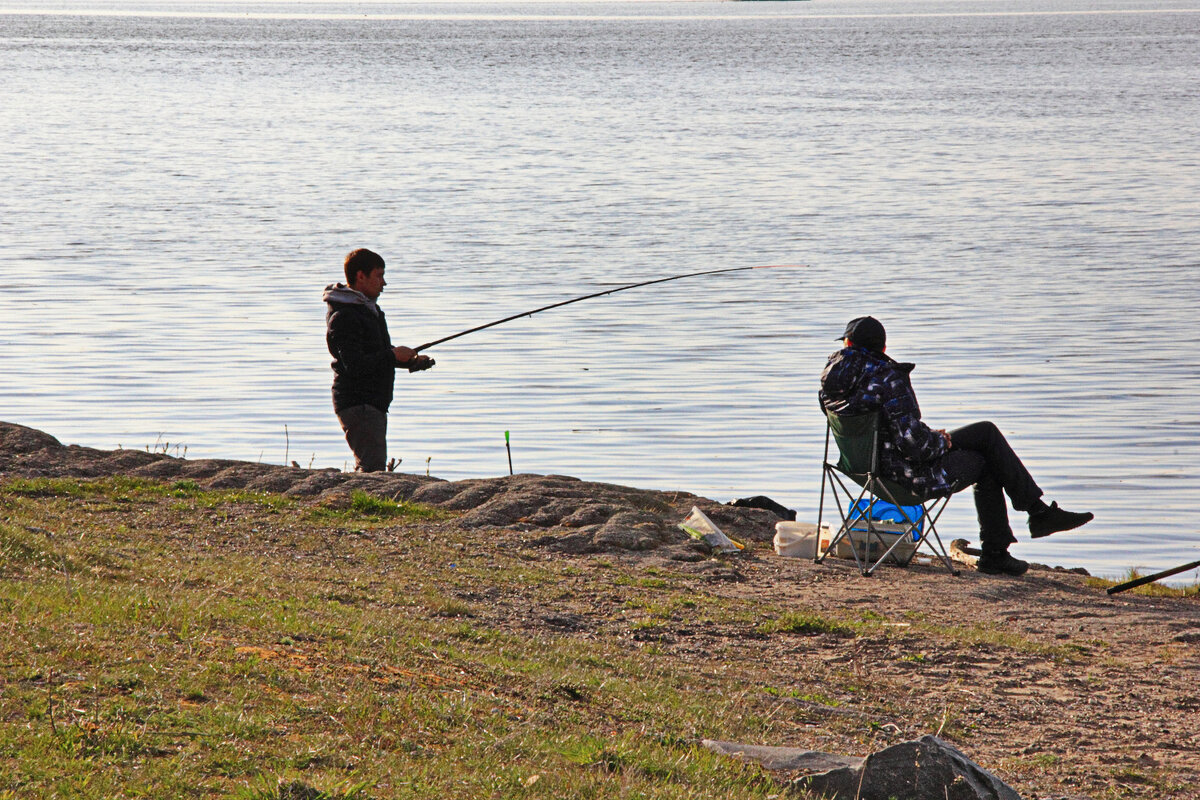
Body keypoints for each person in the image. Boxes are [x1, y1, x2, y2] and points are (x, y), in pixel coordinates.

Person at [819, 316, 1093, 576]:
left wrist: (930, 436)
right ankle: (1006, 542)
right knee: (985, 457)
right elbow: (915, 446)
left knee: (985, 433)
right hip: (904, 477)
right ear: (884, 348)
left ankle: (1035, 516)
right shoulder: (889, 378)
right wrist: (940, 440)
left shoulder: (830, 384)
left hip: (863, 471)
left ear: (848, 345)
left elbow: (885, 430)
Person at [324, 248, 434, 472]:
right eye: (379, 276)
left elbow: (375, 354)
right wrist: (393, 355)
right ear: (360, 276)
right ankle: (359, 505)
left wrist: (410, 362)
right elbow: (355, 365)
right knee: (372, 471)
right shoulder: (344, 316)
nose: (384, 283)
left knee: (370, 467)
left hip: (371, 403)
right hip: (359, 403)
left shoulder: (366, 310)